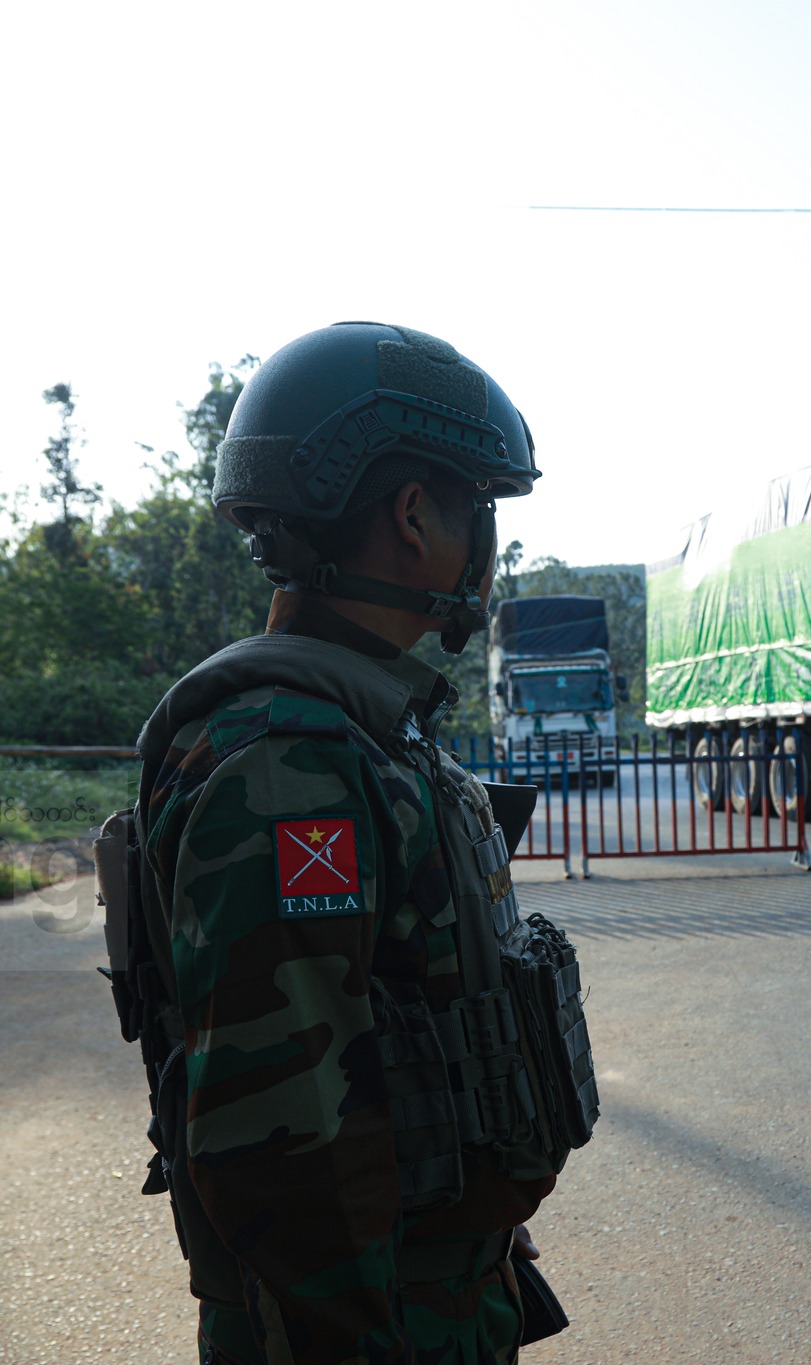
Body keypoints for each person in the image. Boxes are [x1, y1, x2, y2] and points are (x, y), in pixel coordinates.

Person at [129, 322, 599, 1365]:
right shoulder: (287, 766)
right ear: (412, 515)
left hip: (431, 1291)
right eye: (479, 506)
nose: (488, 542)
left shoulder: (360, 731)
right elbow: (284, 1142)